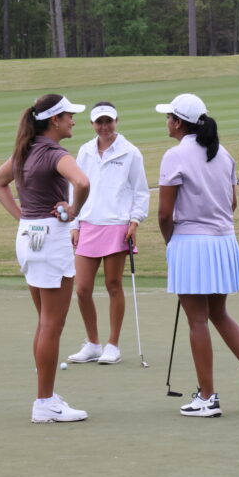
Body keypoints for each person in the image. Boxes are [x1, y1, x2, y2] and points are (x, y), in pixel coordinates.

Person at [155, 93, 239, 418]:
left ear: (178, 123)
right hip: (223, 242)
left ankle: (207, 398)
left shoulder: (174, 156)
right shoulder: (222, 153)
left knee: (198, 320)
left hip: (191, 243)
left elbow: (164, 214)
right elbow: (232, 203)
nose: (166, 121)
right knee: (219, 314)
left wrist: (171, 242)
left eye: (169, 117)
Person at [0, 94, 91, 423]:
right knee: (52, 324)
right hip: (51, 238)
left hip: (28, 236)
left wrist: (21, 216)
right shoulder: (54, 153)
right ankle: (44, 402)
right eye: (69, 115)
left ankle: (46, 395)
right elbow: (82, 181)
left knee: (45, 321)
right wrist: (74, 210)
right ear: (54, 120)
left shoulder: (25, 150)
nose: (73, 120)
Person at [66, 102, 150, 366]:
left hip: (117, 225)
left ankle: (113, 345)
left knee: (113, 285)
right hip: (88, 224)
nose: (104, 126)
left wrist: (134, 221)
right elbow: (75, 188)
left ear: (116, 121)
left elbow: (140, 191)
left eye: (108, 121)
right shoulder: (85, 151)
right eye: (99, 122)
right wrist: (74, 223)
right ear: (92, 124)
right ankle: (93, 344)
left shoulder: (130, 152)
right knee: (82, 289)